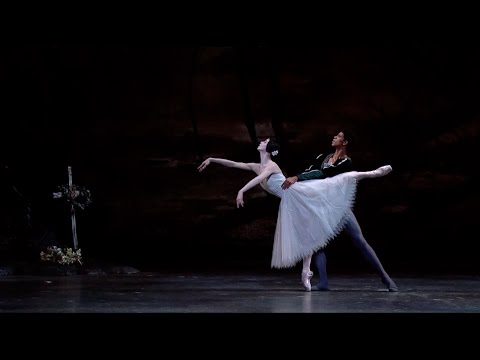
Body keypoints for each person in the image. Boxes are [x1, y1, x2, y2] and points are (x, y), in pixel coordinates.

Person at [197, 138, 392, 291]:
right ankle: (307, 271)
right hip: (291, 201)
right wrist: (212, 159)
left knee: (336, 181)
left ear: (268, 148)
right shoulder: (256, 166)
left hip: (298, 192)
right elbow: (233, 164)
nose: (260, 142)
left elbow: (260, 179)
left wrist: (241, 191)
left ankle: (374, 173)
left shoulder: (271, 166)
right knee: (308, 233)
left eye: (264, 142)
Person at [281, 130, 398, 292]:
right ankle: (323, 283)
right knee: (319, 245)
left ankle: (386, 277)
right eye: (335, 135)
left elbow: (324, 173)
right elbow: (311, 171)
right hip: (322, 205)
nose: (334, 137)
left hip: (338, 205)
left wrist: (297, 177)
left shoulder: (346, 162)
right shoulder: (323, 157)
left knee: (359, 240)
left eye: (338, 136)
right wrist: (298, 178)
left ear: (345, 142)